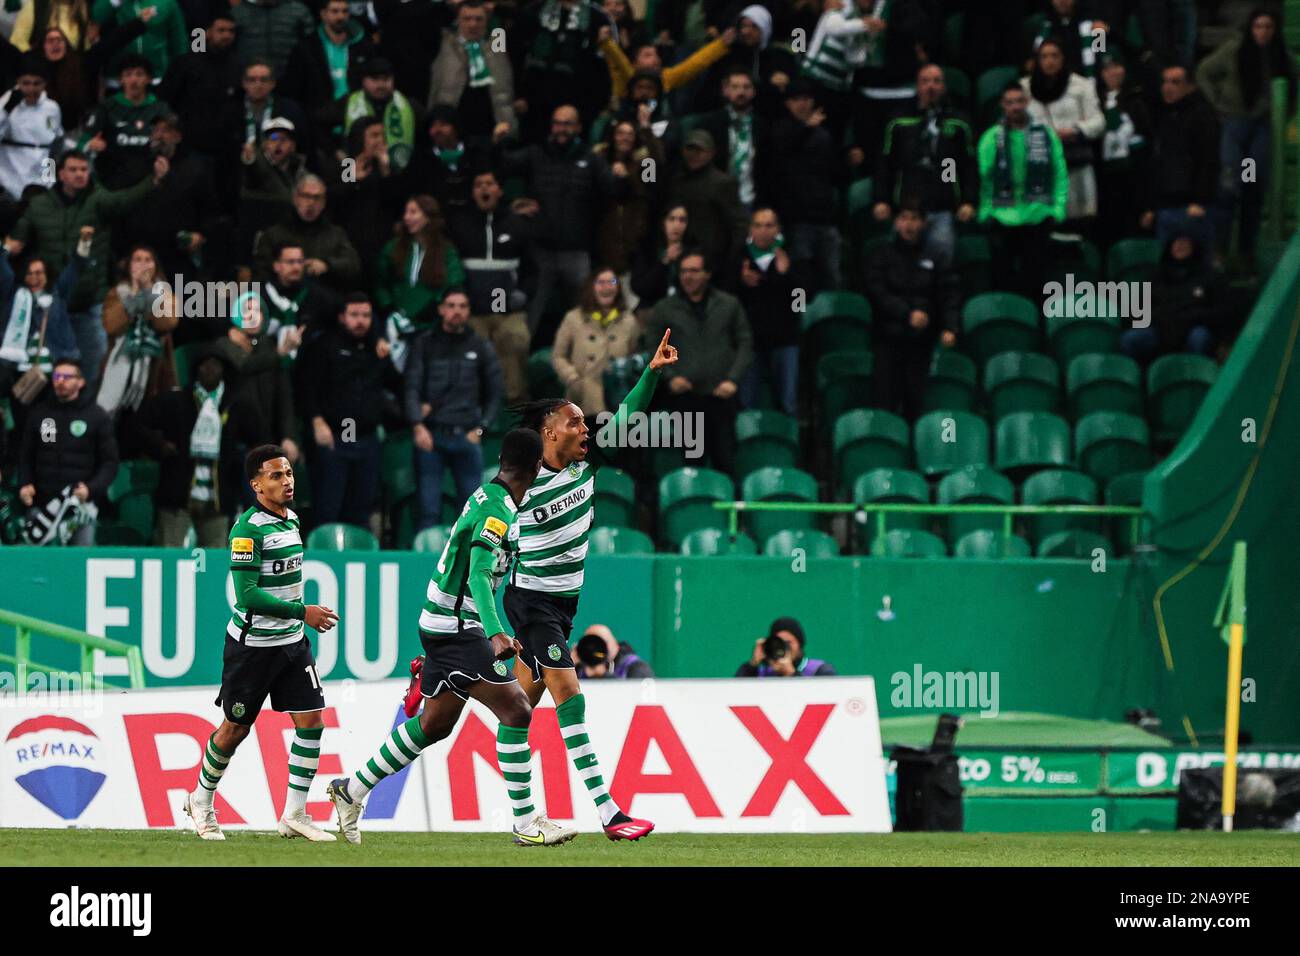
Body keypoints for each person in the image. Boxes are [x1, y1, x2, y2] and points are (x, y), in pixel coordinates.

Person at [327, 428, 579, 847]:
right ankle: (525, 822)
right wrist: (496, 632)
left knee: (435, 723)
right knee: (517, 709)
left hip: (441, 620)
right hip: (458, 626)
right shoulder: (498, 510)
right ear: (535, 468)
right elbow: (480, 573)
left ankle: (350, 790)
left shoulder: (488, 495)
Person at [502, 327, 678, 841]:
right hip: (530, 602)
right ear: (549, 432)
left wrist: (651, 372)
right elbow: (482, 532)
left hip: (562, 606)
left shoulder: (587, 461)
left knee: (515, 709)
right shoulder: (520, 480)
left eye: (584, 421)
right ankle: (610, 813)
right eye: (574, 421)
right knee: (569, 693)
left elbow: (625, 420)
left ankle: (355, 789)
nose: (586, 428)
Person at [181, 444, 340, 842]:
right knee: (235, 729)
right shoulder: (247, 530)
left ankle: (294, 815)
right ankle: (200, 800)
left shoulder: (291, 521)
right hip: (252, 648)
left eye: (288, 473)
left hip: (291, 645)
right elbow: (247, 595)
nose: (286, 481)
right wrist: (303, 611)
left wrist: (298, 622)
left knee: (312, 722)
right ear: (256, 485)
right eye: (275, 476)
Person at [11, 149, 168, 394]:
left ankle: (88, 424)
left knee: (93, 373)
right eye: (73, 170)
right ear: (60, 174)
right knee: (50, 372)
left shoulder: (98, 201)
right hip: (52, 307)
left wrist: (153, 181)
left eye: (84, 170)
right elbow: (17, 242)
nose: (80, 175)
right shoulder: (39, 206)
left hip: (90, 303)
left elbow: (125, 199)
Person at [497, 104, 628, 337]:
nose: (562, 129)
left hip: (576, 253)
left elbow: (617, 193)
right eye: (557, 123)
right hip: (539, 252)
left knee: (585, 320)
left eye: (568, 124)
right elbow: (501, 168)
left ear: (578, 127)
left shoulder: (591, 159)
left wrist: (624, 173)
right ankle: (520, 368)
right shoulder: (536, 154)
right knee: (528, 321)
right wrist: (500, 144)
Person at [1198, 7, 1296, 271]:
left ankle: (1245, 251)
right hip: (1235, 126)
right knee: (1230, 186)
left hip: (1258, 130)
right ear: (1251, 28)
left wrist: (1282, 116)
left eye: (1268, 27)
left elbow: (1292, 88)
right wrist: (1216, 104)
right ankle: (1219, 248)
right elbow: (1204, 71)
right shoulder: (1234, 50)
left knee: (1251, 187)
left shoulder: (1280, 57)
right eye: (1258, 27)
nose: (1262, 32)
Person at [295, 293, 402, 528]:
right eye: (354, 315)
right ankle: (323, 559)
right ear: (343, 317)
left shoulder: (376, 349)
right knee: (328, 507)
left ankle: (357, 560)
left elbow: (397, 384)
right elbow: (307, 387)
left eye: (365, 315)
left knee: (361, 510)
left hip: (367, 439)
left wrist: (386, 359)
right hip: (335, 437)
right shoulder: (325, 345)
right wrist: (316, 420)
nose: (361, 321)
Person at [404, 288, 503, 529]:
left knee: (472, 511)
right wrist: (417, 425)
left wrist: (482, 428)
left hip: (467, 436)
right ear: (440, 309)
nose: (456, 311)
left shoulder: (480, 346)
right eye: (450, 305)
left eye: (462, 306)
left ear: (468, 311)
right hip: (431, 436)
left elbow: (496, 393)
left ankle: (469, 563)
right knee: (428, 509)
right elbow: (411, 387)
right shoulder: (424, 344)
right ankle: (427, 561)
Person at [645, 250, 750, 474]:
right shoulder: (665, 308)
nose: (688, 276)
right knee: (693, 465)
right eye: (683, 271)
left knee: (726, 461)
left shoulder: (729, 304)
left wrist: (733, 379)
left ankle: (730, 509)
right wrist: (671, 378)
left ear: (707, 274)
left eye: (694, 271)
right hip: (686, 399)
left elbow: (745, 344)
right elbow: (653, 348)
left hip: (721, 396)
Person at [874, 63, 978, 269]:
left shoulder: (959, 123)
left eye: (936, 81)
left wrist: (969, 200)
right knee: (898, 268)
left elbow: (969, 166)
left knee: (940, 267)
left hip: (943, 209)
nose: (931, 86)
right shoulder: (899, 121)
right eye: (925, 81)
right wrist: (881, 199)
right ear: (917, 86)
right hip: (907, 209)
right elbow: (884, 163)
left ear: (944, 87)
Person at [129, 348, 236, 547]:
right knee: (169, 554)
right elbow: (138, 425)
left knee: (215, 561)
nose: (210, 369)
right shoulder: (175, 400)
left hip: (219, 498)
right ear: (196, 370)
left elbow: (258, 438)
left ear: (223, 370)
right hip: (177, 494)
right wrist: (160, 446)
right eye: (204, 365)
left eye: (215, 364)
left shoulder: (235, 404)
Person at [867, 201, 960, 421]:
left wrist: (950, 327)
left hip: (921, 343)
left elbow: (948, 293)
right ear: (896, 222)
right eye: (904, 218)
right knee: (885, 404)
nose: (909, 224)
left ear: (924, 223)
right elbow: (877, 294)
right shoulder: (881, 254)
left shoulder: (936, 256)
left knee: (916, 406)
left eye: (915, 219)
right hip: (888, 340)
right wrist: (906, 314)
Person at [977, 82, 1068, 299]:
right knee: (1002, 282)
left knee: (1036, 284)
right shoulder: (991, 137)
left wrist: (1058, 208)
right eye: (1010, 102)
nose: (1015, 107)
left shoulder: (1046, 135)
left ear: (1026, 102)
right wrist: (985, 212)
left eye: (1019, 101)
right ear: (1002, 105)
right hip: (1002, 217)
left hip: (1037, 215)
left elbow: (1059, 173)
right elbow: (983, 178)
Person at [448, 167, 531, 404]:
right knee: (471, 351)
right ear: (473, 192)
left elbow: (533, 269)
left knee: (516, 339)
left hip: (508, 312)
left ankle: (516, 406)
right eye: (478, 185)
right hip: (472, 312)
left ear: (499, 190)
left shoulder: (517, 224)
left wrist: (522, 293)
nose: (484, 189)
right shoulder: (460, 224)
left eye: (489, 183)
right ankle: (477, 409)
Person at [16, 357, 118, 545]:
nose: (60, 381)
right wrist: (25, 483)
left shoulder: (96, 416)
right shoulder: (41, 415)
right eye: (57, 376)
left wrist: (90, 489)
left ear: (81, 382)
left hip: (79, 508)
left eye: (67, 377)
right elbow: (26, 457)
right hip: (42, 506)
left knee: (78, 564)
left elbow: (110, 463)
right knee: (39, 565)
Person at [1138, 63, 1220, 265]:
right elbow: (1157, 164)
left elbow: (1209, 160)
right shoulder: (1162, 116)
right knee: (1166, 268)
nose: (1168, 87)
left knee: (1198, 265)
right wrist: (1151, 206)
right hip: (1165, 206)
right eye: (1165, 82)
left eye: (1175, 82)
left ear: (1190, 86)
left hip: (1191, 206)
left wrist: (1200, 200)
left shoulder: (1203, 116)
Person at [374, 193, 465, 371]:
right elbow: (380, 282)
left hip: (430, 325)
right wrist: (389, 307)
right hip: (397, 323)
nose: (407, 217)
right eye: (406, 212)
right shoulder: (393, 247)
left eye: (413, 212)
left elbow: (454, 284)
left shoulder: (446, 251)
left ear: (428, 216)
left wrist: (431, 310)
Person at [1021, 37, 1105, 225]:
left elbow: (1099, 122)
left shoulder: (1081, 85)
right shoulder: (1025, 88)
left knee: (1079, 221)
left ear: (1063, 58)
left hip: (1074, 160)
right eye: (1044, 57)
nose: (1049, 61)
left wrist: (1075, 130)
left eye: (1054, 56)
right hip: (1040, 162)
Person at [769, 79, 843, 292]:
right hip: (797, 221)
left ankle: (830, 322)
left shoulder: (824, 133)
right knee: (801, 282)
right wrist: (807, 129)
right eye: (796, 99)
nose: (802, 104)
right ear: (787, 104)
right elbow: (783, 151)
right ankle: (800, 322)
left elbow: (834, 171)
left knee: (832, 278)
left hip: (825, 219)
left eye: (806, 99)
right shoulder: (780, 129)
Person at [730, 206, 800, 417]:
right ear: (750, 229)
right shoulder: (738, 258)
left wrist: (786, 276)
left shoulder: (791, 255)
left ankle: (789, 447)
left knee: (787, 405)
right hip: (750, 343)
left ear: (777, 229)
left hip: (785, 341)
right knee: (747, 405)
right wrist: (740, 282)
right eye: (758, 225)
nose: (763, 231)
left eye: (769, 225)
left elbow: (802, 303)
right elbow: (726, 298)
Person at [97, 244, 177, 419]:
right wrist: (133, 293)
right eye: (137, 260)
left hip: (155, 366)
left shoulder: (166, 294)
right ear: (129, 265)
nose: (143, 265)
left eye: (148, 260)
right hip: (119, 361)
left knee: (145, 420)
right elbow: (111, 326)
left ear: (155, 266)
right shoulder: (117, 293)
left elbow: (167, 323)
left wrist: (148, 290)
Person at [253, 173, 362, 296]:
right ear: (295, 198)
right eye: (306, 196)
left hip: (324, 302)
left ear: (324, 202)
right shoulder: (273, 235)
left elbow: (353, 265)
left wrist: (327, 265)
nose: (311, 203)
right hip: (282, 300)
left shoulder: (336, 235)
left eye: (317, 198)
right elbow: (260, 273)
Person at [551, 269, 640, 417]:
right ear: (591, 287)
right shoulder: (573, 318)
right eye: (601, 282)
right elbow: (558, 356)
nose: (607, 287)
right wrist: (572, 378)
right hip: (583, 398)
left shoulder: (629, 321)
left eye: (612, 282)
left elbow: (634, 354)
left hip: (618, 397)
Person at [77, 53, 172, 191]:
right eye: (128, 75)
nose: (134, 80)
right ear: (121, 80)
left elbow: (172, 145)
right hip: (112, 183)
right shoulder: (106, 107)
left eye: (139, 75)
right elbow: (81, 144)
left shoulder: (161, 109)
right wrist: (89, 145)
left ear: (148, 79)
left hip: (150, 183)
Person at [427, 0, 516, 145]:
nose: (473, 24)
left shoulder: (497, 43)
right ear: (458, 20)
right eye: (467, 19)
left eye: (478, 19)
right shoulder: (444, 41)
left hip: (491, 127)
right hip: (452, 125)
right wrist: (449, 5)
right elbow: (425, 16)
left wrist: (498, 8)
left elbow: (528, 22)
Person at [691, 67, 772, 213]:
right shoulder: (709, 123)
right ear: (725, 91)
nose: (741, 92)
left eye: (746, 87)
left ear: (753, 92)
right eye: (735, 87)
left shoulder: (764, 127)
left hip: (750, 200)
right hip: (716, 200)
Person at [668, 129, 747, 278]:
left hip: (714, 263)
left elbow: (739, 226)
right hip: (681, 259)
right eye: (690, 149)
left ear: (711, 153)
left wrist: (732, 261)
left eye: (699, 150)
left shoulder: (723, 183)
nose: (693, 155)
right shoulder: (677, 182)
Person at [280, 0, 375, 116]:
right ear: (323, 14)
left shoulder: (363, 46)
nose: (340, 16)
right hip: (319, 116)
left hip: (357, 115)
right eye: (334, 11)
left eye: (345, 11)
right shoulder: (307, 48)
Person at [0, 55, 62, 204]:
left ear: (44, 84)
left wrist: (49, 180)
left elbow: (54, 146)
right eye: (26, 83)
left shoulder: (52, 108)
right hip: (8, 177)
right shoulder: (5, 103)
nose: (31, 89)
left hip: (40, 178)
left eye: (37, 83)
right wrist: (6, 111)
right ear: (18, 82)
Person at [630, 203, 690, 309]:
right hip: (653, 310)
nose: (677, 225)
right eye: (671, 219)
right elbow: (640, 288)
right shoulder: (647, 249)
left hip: (684, 311)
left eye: (682, 220)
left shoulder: (693, 252)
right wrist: (664, 261)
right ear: (663, 223)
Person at [735, 616, 838, 676]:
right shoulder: (763, 672)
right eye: (779, 643)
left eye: (788, 643)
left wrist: (790, 673)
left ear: (799, 645)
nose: (785, 647)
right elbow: (734, 695)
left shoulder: (820, 670)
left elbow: (824, 700)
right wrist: (753, 664)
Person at [573, 623, 654, 679]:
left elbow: (638, 697)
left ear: (613, 643)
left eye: (599, 643)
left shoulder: (635, 667)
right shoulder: (579, 667)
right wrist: (568, 665)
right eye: (589, 645)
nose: (594, 649)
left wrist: (603, 676)